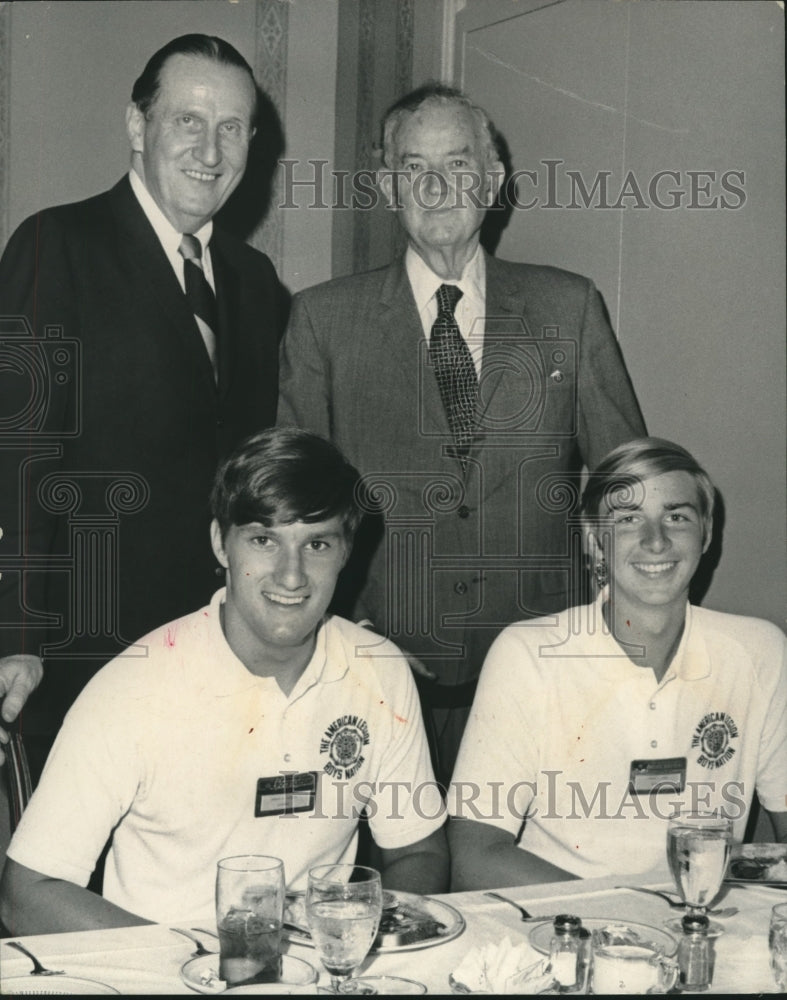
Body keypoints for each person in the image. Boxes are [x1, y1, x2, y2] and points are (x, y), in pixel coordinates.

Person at [277, 83, 646, 784]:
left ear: (493, 178)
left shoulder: (567, 306)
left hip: (546, 670)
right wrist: (352, 638)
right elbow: (296, 511)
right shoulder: (323, 322)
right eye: (414, 167)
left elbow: (626, 489)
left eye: (457, 162)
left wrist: (611, 631)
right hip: (383, 676)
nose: (438, 185)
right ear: (388, 185)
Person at [0, 427, 448, 933]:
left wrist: (358, 940)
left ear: (347, 552)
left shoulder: (377, 668)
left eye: (317, 544)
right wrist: (192, 963)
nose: (291, 575)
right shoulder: (133, 686)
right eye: (264, 540)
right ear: (221, 543)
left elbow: (419, 849)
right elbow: (27, 893)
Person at [0, 34, 286, 778]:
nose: (211, 150)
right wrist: (16, 630)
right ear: (137, 126)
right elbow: (20, 448)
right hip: (84, 653)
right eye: (188, 120)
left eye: (232, 128)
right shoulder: (56, 244)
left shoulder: (256, 284)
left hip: (221, 653)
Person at [447, 437, 787, 889]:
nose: (656, 540)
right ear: (594, 541)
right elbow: (475, 857)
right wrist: (633, 915)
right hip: (560, 927)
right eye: (628, 519)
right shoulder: (528, 654)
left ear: (706, 533)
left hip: (704, 927)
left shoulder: (759, 651)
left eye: (677, 516)